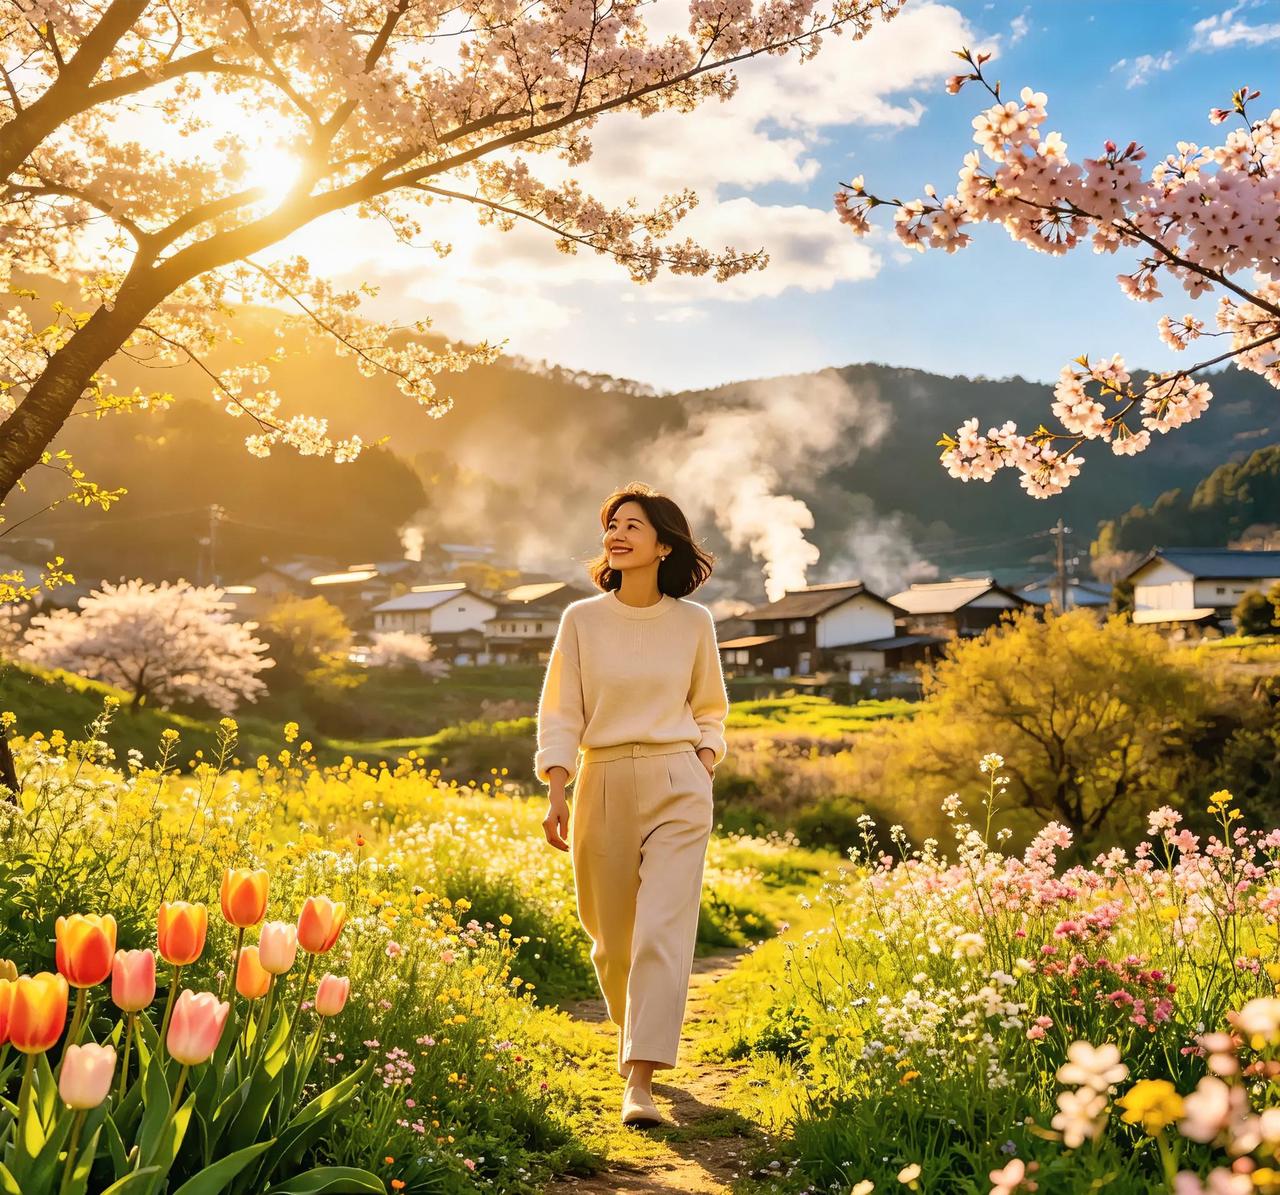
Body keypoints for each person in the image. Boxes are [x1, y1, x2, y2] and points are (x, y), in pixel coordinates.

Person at [534, 481, 729, 1128]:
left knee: (659, 934)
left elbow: (710, 710)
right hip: (603, 779)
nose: (614, 534)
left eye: (630, 526)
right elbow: (561, 709)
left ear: (663, 544)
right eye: (610, 525)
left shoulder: (693, 623)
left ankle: (639, 1080)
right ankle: (635, 1027)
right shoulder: (581, 620)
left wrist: (700, 765)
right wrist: (558, 788)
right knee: (612, 942)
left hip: (678, 782)